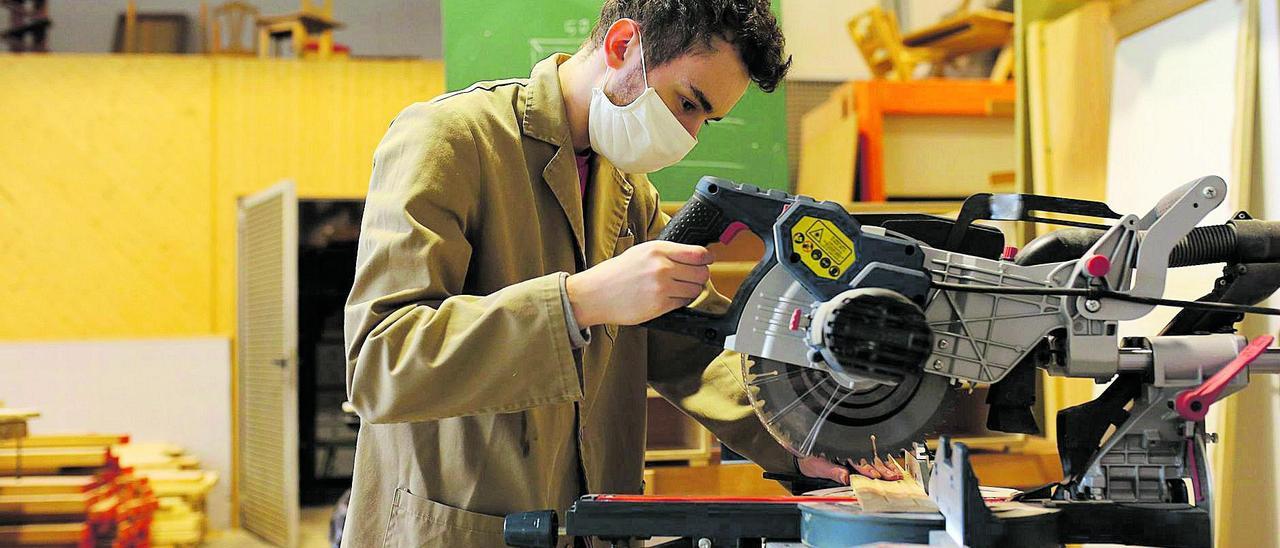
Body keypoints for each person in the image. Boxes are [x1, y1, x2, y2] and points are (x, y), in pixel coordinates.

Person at [342, 1, 848, 545]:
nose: (690, 136)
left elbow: (693, 350)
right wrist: (578, 302)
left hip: (590, 528)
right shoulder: (449, 140)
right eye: (686, 104)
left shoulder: (630, 194)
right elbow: (381, 361)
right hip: (461, 530)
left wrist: (805, 441)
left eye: (706, 118)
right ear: (623, 46)